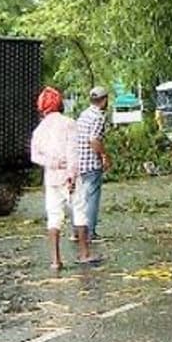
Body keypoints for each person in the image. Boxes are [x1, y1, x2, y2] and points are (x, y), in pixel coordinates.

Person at [30, 87, 84, 270]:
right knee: (79, 211)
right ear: (60, 103)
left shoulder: (39, 130)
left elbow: (35, 156)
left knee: (54, 216)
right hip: (69, 175)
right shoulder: (69, 124)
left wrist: (52, 163)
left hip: (51, 177)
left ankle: (55, 260)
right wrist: (72, 175)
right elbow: (73, 152)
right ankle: (84, 253)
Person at [73, 86, 111, 243]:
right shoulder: (98, 117)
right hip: (91, 163)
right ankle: (89, 233)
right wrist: (104, 156)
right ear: (104, 100)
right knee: (92, 199)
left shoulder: (84, 114)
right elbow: (94, 140)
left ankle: (77, 232)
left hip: (79, 162)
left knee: (80, 199)